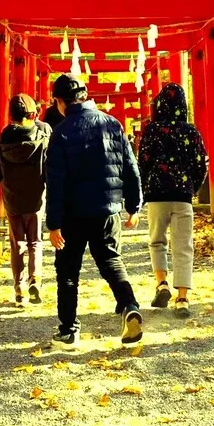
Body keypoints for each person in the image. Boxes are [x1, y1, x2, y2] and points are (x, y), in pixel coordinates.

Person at [46, 74, 144, 347]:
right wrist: (133, 206)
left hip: (72, 214)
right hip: (107, 211)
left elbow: (55, 183)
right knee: (111, 262)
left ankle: (68, 330)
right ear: (85, 96)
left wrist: (53, 224)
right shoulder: (113, 124)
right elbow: (130, 168)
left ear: (60, 102)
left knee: (67, 272)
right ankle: (129, 305)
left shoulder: (61, 133)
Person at [138, 82, 207, 317]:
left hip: (157, 196)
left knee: (157, 241)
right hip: (182, 196)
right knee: (183, 246)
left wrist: (145, 189)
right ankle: (183, 298)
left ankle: (162, 283)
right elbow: (201, 165)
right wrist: (192, 188)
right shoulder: (191, 132)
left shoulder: (151, 130)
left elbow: (143, 162)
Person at [0, 93, 51, 306]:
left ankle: (19, 288)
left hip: (12, 199)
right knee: (35, 242)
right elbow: (50, 169)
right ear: (32, 114)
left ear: (11, 115)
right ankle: (36, 279)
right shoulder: (42, 136)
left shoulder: (4, 137)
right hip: (36, 198)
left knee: (17, 244)